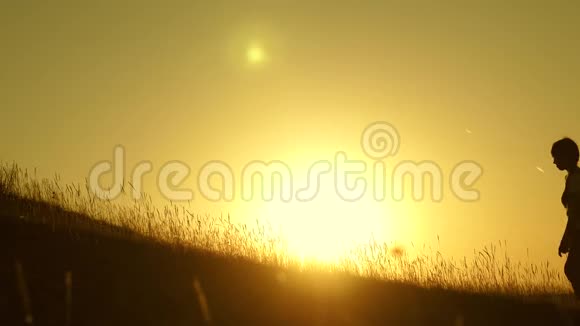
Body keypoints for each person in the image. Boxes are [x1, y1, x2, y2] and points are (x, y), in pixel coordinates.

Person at [552, 137, 580, 298]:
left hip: (578, 229)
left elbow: (575, 212)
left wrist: (566, 238)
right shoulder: (571, 177)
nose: (554, 162)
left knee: (572, 269)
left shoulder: (576, 179)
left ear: (567, 156)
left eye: (556, 157)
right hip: (576, 229)